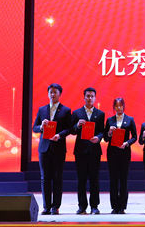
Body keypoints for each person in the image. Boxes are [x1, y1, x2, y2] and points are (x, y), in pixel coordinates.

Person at [32, 83, 72, 215]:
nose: (52, 94)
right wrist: (41, 127)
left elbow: (69, 129)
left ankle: (56, 206)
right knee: (45, 178)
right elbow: (34, 128)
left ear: (60, 94)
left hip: (58, 148)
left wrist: (59, 135)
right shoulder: (42, 109)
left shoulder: (66, 110)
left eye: (55, 92)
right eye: (51, 92)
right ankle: (46, 206)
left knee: (57, 177)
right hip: (44, 148)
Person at [70, 87, 105, 215]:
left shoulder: (100, 114)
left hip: (94, 150)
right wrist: (77, 125)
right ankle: (82, 206)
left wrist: (98, 137)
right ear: (84, 97)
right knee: (81, 180)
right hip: (80, 151)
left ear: (95, 98)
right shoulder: (76, 113)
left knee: (94, 179)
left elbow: (102, 131)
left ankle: (94, 206)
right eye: (87, 96)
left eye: (92, 96)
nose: (89, 98)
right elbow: (71, 130)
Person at [104, 97, 137, 214]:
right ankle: (114, 206)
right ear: (114, 107)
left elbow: (135, 136)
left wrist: (127, 143)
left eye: (120, 105)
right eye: (116, 106)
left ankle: (122, 206)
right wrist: (109, 132)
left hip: (124, 153)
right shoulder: (109, 120)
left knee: (123, 179)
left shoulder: (130, 119)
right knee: (113, 179)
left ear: (124, 106)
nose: (118, 108)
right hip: (112, 153)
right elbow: (106, 138)